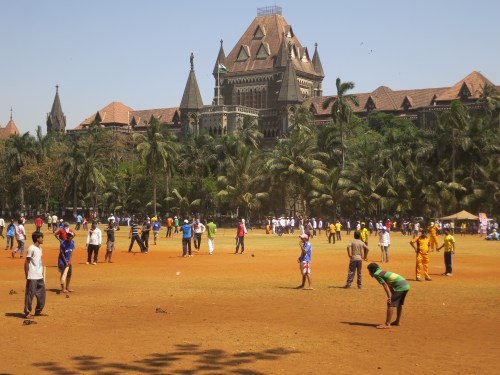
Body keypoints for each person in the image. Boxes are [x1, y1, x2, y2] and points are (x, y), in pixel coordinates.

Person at [367, 263, 410, 329]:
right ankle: (397, 321)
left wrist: (389, 297)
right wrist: (392, 294)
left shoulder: (376, 274)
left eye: (369, 271)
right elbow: (389, 284)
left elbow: (385, 285)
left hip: (400, 287)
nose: (369, 273)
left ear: (372, 270)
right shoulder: (381, 272)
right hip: (405, 285)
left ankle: (387, 323)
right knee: (398, 304)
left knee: (390, 304)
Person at [24, 231, 47, 319]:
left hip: (39, 276)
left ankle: (38, 311)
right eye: (41, 237)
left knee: (42, 295)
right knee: (30, 295)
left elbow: (38, 261)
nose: (43, 239)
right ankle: (27, 312)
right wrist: (27, 274)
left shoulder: (40, 249)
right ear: (37, 238)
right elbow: (26, 262)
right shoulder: (31, 248)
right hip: (32, 276)